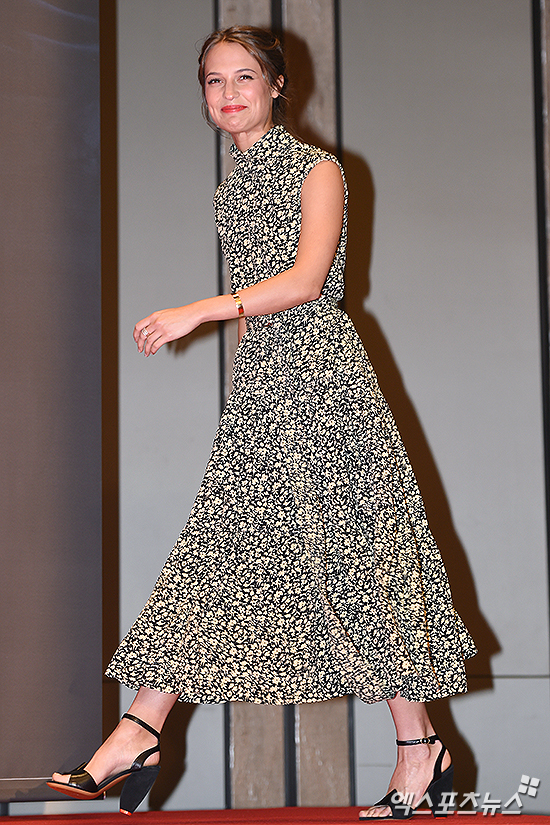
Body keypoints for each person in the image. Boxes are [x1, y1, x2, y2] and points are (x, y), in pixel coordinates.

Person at [48, 25, 476, 818]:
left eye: (244, 77)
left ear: (278, 85)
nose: (228, 93)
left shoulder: (319, 169)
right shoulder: (233, 188)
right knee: (218, 548)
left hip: (326, 385)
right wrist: (242, 360)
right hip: (267, 388)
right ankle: (141, 726)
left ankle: (419, 746)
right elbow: (261, 304)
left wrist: (198, 310)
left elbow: (308, 281)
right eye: (213, 81)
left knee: (359, 560)